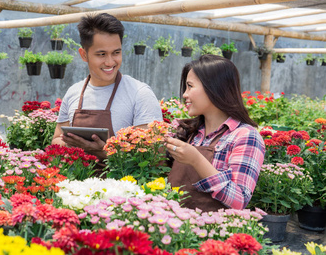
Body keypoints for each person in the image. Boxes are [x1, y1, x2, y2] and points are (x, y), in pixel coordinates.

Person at [51, 13, 163, 160]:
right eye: (101, 54)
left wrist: (102, 151)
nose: (110, 62)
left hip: (124, 182)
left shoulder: (139, 93)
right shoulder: (74, 92)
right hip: (77, 181)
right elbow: (56, 140)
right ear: (84, 55)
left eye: (116, 52)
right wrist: (79, 146)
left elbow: (154, 155)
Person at [165, 54, 265, 211]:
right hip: (173, 228)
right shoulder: (189, 132)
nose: (185, 94)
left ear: (214, 88)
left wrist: (197, 160)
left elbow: (239, 201)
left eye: (190, 86)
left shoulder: (245, 136)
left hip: (213, 232)